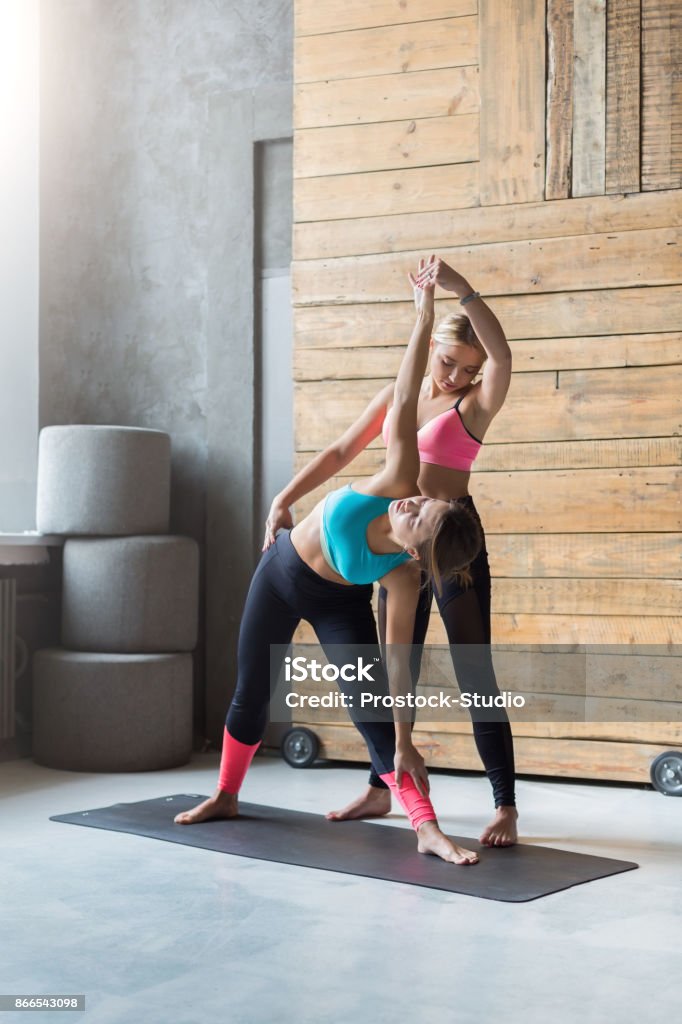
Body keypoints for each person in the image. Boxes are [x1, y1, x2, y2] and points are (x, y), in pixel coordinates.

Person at [175, 257, 483, 865]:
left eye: (422, 513)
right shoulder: (396, 477)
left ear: (418, 548)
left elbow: (399, 667)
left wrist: (404, 741)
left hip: (338, 600)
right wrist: (421, 318)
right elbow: (400, 398)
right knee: (251, 692)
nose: (415, 498)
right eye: (422, 499)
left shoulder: (401, 576)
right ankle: (226, 794)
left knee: (372, 713)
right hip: (281, 572)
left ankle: (423, 826)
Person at [264, 258, 518, 847]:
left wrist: (464, 290)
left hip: (448, 543)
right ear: (431, 348)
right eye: (448, 362)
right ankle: (385, 786)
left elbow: (503, 358)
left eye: (467, 370)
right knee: (392, 663)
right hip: (398, 539)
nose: (456, 376)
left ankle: (504, 803)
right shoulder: (399, 395)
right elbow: (338, 451)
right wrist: (284, 497)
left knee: (473, 668)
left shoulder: (475, 405)